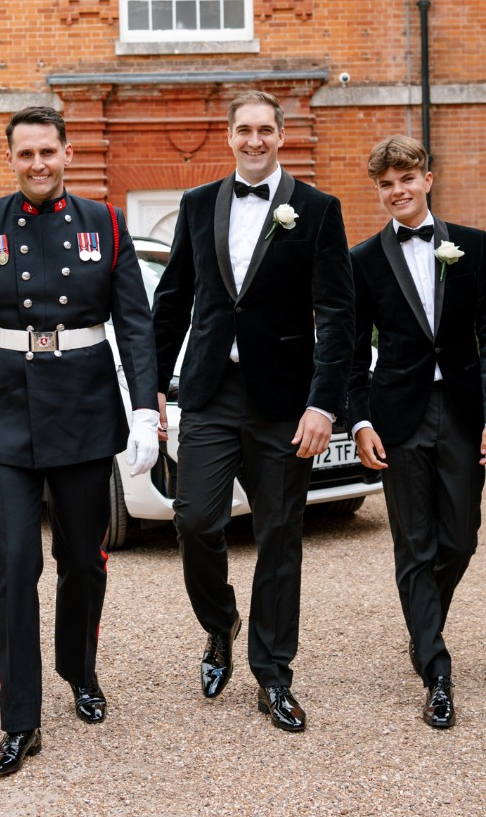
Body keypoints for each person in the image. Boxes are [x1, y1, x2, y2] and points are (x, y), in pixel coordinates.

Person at [0, 106, 159, 777]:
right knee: (11, 565)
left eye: (48, 152)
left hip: (85, 412)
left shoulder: (107, 223)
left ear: (66, 154)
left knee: (83, 561)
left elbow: (136, 327)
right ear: (11, 159)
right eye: (25, 153)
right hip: (1, 414)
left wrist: (145, 410)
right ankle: (20, 720)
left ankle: (78, 669)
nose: (37, 163)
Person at [152, 91, 355, 732]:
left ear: (281, 135)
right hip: (211, 391)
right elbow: (174, 296)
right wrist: (152, 386)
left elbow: (339, 313)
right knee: (195, 519)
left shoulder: (318, 210)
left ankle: (273, 674)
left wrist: (325, 403)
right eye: (244, 130)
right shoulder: (196, 204)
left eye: (265, 129)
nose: (255, 139)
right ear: (229, 135)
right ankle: (221, 624)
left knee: (279, 538)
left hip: (285, 401)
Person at [348, 135, 485, 729]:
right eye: (385, 184)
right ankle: (436, 670)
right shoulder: (362, 261)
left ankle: (421, 624)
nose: (396, 191)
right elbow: (350, 353)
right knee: (415, 544)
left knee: (460, 540)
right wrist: (359, 420)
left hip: (461, 410)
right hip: (397, 415)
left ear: (427, 179)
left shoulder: (474, 248)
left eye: (406, 178)